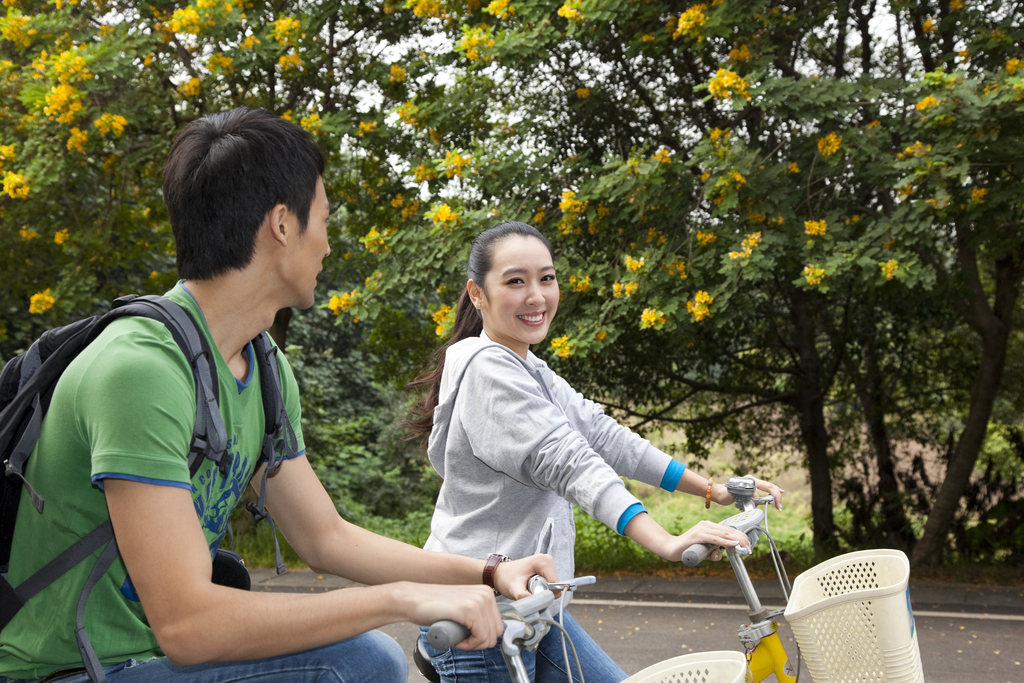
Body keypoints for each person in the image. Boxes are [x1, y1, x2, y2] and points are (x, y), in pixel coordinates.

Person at [0, 110, 555, 683]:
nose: (329, 244)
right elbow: (188, 626)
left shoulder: (260, 367)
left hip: (151, 662)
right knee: (360, 664)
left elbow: (325, 537)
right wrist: (401, 600)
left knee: (364, 657)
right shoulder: (141, 370)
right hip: (67, 671)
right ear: (283, 225)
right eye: (324, 220)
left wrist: (487, 574)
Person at [407, 221, 785, 683]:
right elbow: (573, 463)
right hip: (479, 619)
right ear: (477, 294)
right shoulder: (488, 370)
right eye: (515, 281)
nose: (537, 296)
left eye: (546, 278)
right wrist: (664, 541)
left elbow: (606, 438)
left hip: (535, 609)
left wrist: (710, 488)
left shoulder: (531, 369)